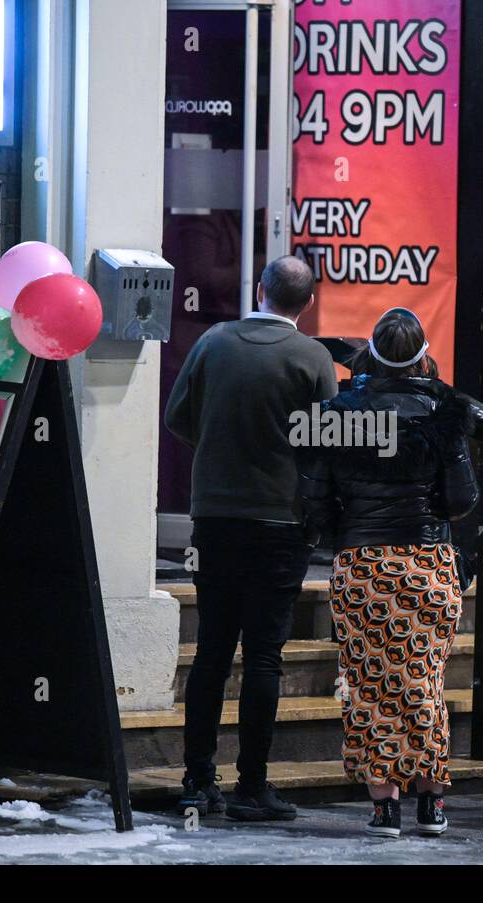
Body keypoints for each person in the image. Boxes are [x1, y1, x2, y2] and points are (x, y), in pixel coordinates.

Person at [164, 255, 338, 822]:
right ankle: (252, 786)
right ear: (307, 303)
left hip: (215, 518)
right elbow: (325, 441)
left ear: (260, 289)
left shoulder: (214, 341)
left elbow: (178, 417)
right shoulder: (313, 357)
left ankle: (196, 779)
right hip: (282, 522)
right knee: (264, 656)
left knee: (212, 651)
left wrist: (219, 451)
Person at [300, 308, 478, 838]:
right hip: (427, 567)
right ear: (424, 356)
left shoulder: (338, 414)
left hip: (364, 569)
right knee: (425, 682)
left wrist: (348, 533)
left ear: (368, 355)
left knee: (369, 687)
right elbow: (462, 500)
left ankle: (384, 808)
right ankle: (433, 804)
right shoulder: (446, 411)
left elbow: (314, 503)